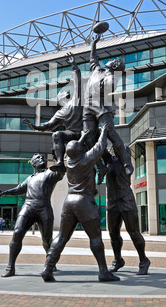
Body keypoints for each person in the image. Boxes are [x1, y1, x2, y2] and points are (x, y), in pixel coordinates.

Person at [41, 125, 119, 283]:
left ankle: (48, 268)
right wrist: (103, 131)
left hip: (69, 201)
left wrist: (82, 137)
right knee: (95, 237)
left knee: (62, 237)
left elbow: (74, 148)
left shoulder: (69, 161)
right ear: (81, 151)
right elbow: (100, 146)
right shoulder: (86, 160)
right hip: (84, 201)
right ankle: (103, 272)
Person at [0, 153, 64, 277]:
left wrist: (59, 160)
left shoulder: (50, 173)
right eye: (38, 158)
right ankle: (10, 267)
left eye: (43, 157)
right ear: (33, 164)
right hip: (28, 206)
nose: (41, 158)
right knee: (17, 232)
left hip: (44, 207)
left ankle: (51, 263)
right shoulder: (30, 178)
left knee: (47, 240)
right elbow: (18, 189)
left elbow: (61, 171)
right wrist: (4, 193)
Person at [82, 34, 133, 179]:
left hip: (101, 105)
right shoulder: (97, 70)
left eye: (113, 60)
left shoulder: (111, 77)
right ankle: (101, 166)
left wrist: (112, 77)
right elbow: (93, 58)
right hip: (87, 105)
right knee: (88, 138)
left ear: (115, 65)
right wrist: (93, 43)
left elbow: (111, 87)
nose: (109, 60)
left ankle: (126, 162)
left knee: (111, 134)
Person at [24, 53, 83, 173]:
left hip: (84, 131)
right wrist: (34, 126)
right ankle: (60, 162)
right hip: (72, 134)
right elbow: (48, 125)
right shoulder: (60, 113)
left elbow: (78, 82)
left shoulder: (76, 101)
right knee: (56, 135)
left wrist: (74, 66)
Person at [105, 147, 150, 275]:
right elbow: (101, 148)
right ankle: (118, 260)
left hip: (126, 200)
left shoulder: (127, 163)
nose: (115, 150)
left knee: (133, 232)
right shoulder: (109, 161)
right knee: (113, 233)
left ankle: (144, 260)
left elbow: (118, 145)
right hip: (112, 202)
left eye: (118, 150)